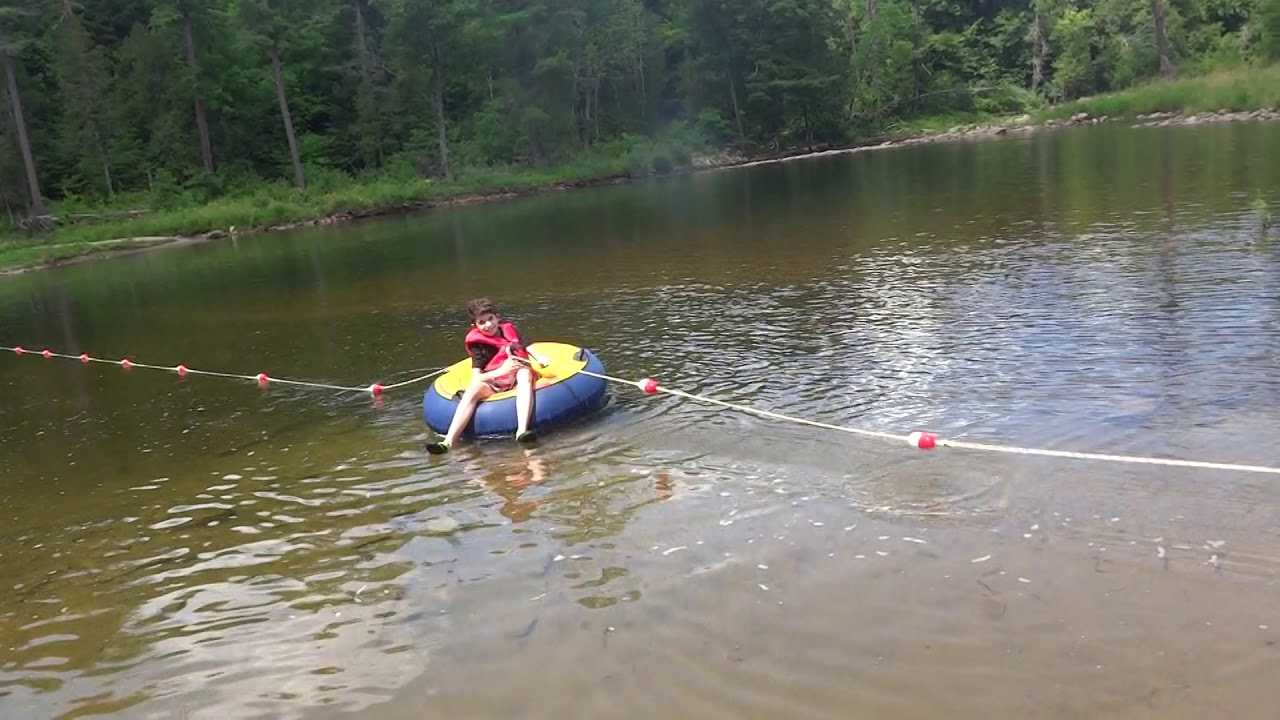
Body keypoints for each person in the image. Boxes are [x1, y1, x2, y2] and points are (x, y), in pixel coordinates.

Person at [426, 298, 539, 454]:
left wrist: (542, 359)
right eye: (482, 322)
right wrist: (503, 370)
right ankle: (448, 442)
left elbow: (527, 346)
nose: (488, 325)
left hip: (516, 377)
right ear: (475, 326)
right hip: (494, 381)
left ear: (497, 317)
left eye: (490, 319)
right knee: (473, 389)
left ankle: (521, 430)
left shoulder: (510, 330)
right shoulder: (478, 346)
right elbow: (477, 377)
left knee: (525, 373)